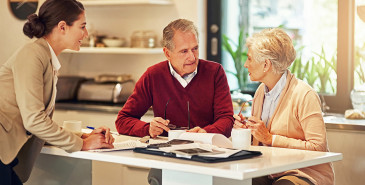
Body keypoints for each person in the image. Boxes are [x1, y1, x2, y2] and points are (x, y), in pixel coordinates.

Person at [0, 0, 114, 184]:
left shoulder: (46, 57)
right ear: (62, 27)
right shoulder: (33, 54)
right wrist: (83, 144)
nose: (86, 34)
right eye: (82, 26)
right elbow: (34, 121)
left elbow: (38, 121)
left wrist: (82, 136)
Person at [115, 19, 234, 185]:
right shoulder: (153, 75)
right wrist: (148, 128)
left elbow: (227, 119)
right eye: (184, 51)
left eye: (195, 48)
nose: (192, 57)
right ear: (167, 53)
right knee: (158, 179)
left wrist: (205, 133)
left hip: (208, 155)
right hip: (167, 157)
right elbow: (123, 120)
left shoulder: (215, 72)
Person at [233, 28, 334, 185]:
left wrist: (270, 138)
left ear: (266, 64)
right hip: (268, 170)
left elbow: (317, 147)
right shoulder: (261, 91)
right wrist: (247, 130)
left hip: (304, 173)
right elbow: (260, 141)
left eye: (250, 59)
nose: (246, 65)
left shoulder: (304, 94)